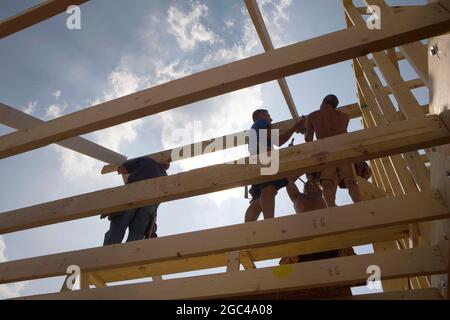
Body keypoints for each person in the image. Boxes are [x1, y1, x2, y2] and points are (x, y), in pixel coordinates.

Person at [245, 109, 305, 222]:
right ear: (261, 115)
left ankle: (246, 228)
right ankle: (270, 223)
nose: (271, 119)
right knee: (269, 188)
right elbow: (278, 140)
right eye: (268, 115)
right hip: (264, 156)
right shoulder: (261, 122)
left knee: (258, 199)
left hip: (255, 160)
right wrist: (295, 126)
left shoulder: (254, 129)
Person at [305, 94, 361, 207]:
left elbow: (308, 140)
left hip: (325, 151)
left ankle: (331, 208)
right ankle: (359, 205)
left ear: (323, 102)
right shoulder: (344, 116)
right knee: (350, 181)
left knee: (327, 184)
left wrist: (306, 128)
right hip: (342, 149)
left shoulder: (313, 116)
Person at [102, 157, 169, 246]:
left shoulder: (148, 160)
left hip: (132, 195)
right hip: (149, 204)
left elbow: (123, 168)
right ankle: (128, 256)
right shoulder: (165, 176)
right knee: (137, 234)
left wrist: (121, 170)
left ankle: (107, 255)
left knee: (118, 229)